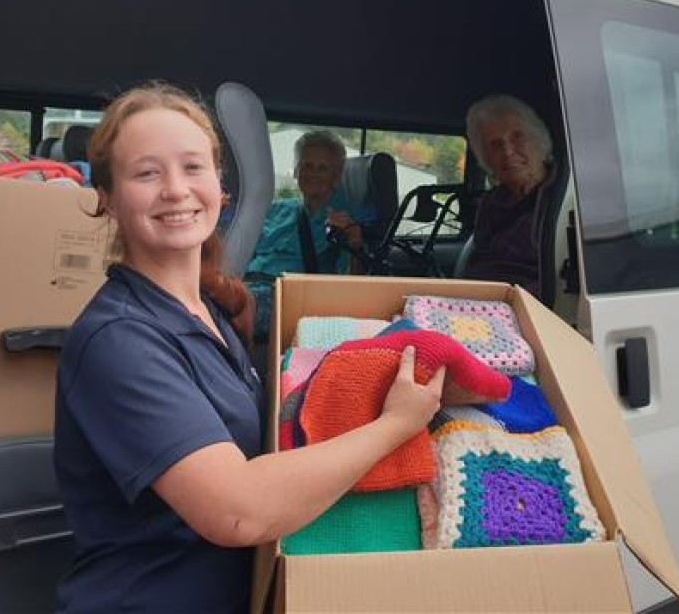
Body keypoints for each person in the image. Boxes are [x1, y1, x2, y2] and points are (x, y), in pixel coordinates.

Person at [53, 83, 444, 614]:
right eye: (147, 173)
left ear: (219, 185)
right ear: (108, 197)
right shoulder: (119, 340)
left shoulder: (207, 312)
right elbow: (238, 512)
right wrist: (395, 425)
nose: (176, 189)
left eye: (193, 167)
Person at [244, 130, 364, 342]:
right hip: (245, 284)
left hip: (286, 298)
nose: (313, 174)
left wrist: (355, 242)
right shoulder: (275, 209)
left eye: (322, 168)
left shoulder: (344, 222)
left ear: (336, 177)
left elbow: (351, 285)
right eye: (307, 165)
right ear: (296, 170)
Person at [462, 94, 553, 298]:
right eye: (495, 144)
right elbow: (479, 262)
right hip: (480, 301)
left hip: (531, 306)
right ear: (486, 158)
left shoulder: (564, 198)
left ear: (539, 141)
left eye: (517, 137)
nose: (508, 151)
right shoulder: (490, 203)